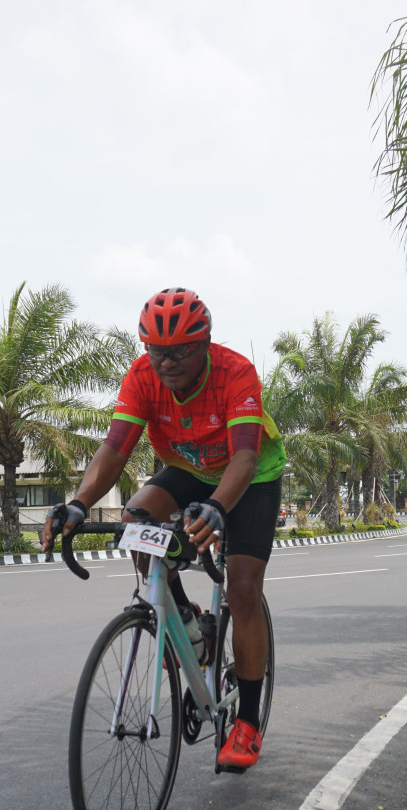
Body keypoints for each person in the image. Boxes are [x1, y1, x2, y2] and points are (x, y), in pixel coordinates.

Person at [42, 288, 284, 772]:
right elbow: (115, 449)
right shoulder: (142, 376)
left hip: (250, 475)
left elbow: (244, 456)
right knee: (135, 520)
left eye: (180, 351)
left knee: (242, 589)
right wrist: (79, 502)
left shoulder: (235, 372)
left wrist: (218, 508)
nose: (167, 362)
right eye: (156, 351)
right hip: (189, 468)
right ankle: (188, 625)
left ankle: (247, 722)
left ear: (205, 344)